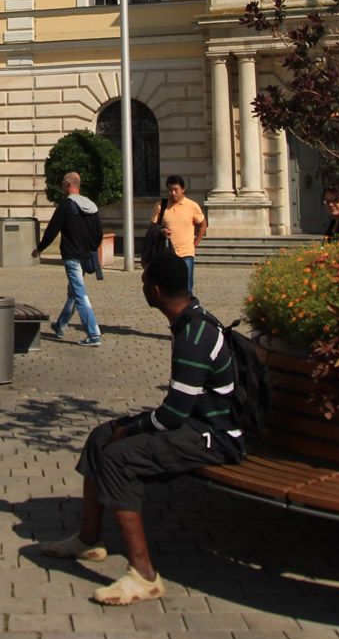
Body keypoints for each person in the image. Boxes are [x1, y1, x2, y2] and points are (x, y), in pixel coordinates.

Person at [37, 247, 243, 605]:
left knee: (120, 456)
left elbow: (173, 415)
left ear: (156, 291)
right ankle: (88, 540)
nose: (142, 286)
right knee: (100, 437)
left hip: (214, 437)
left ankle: (144, 575)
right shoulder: (188, 321)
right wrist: (121, 428)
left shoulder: (195, 336)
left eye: (145, 281)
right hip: (194, 424)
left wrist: (130, 430)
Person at [36, 171, 103, 346]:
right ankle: (60, 325)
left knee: (79, 294)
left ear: (67, 185)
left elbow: (52, 229)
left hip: (72, 256)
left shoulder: (66, 205)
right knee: (74, 292)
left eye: (62, 184)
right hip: (87, 256)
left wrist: (40, 248)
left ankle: (93, 334)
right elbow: (99, 234)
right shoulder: (91, 205)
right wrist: (91, 249)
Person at [149, 175, 208, 295]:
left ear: (183, 189)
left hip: (186, 253)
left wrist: (195, 244)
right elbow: (153, 227)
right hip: (167, 254)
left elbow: (202, 225)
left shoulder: (192, 206)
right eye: (170, 190)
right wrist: (162, 231)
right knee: (169, 287)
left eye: (176, 189)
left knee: (187, 287)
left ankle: (188, 310)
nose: (173, 193)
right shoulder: (161, 206)